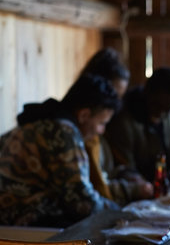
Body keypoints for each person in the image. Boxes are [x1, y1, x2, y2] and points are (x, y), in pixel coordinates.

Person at [0, 74, 121, 227]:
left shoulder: (45, 120)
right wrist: (120, 212)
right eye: (102, 123)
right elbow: (81, 202)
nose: (102, 131)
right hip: (16, 220)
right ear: (84, 115)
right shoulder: (62, 132)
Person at [79, 48, 153, 205]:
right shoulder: (83, 132)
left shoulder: (103, 131)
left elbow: (111, 169)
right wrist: (133, 190)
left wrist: (131, 176)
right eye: (112, 94)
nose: (116, 103)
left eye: (120, 97)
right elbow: (93, 190)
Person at [105, 66, 170, 188]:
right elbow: (124, 169)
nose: (161, 113)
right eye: (157, 105)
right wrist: (145, 187)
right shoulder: (124, 122)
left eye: (168, 108)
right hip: (139, 194)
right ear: (147, 93)